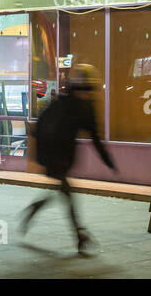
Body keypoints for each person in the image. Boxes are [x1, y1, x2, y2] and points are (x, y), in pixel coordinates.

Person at [20, 64, 114, 255]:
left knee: (63, 192)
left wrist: (108, 161)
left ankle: (36, 209)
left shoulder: (80, 106)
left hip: (61, 157)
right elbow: (40, 128)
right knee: (67, 193)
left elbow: (94, 136)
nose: (87, 95)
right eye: (85, 90)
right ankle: (80, 236)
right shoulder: (65, 104)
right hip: (54, 156)